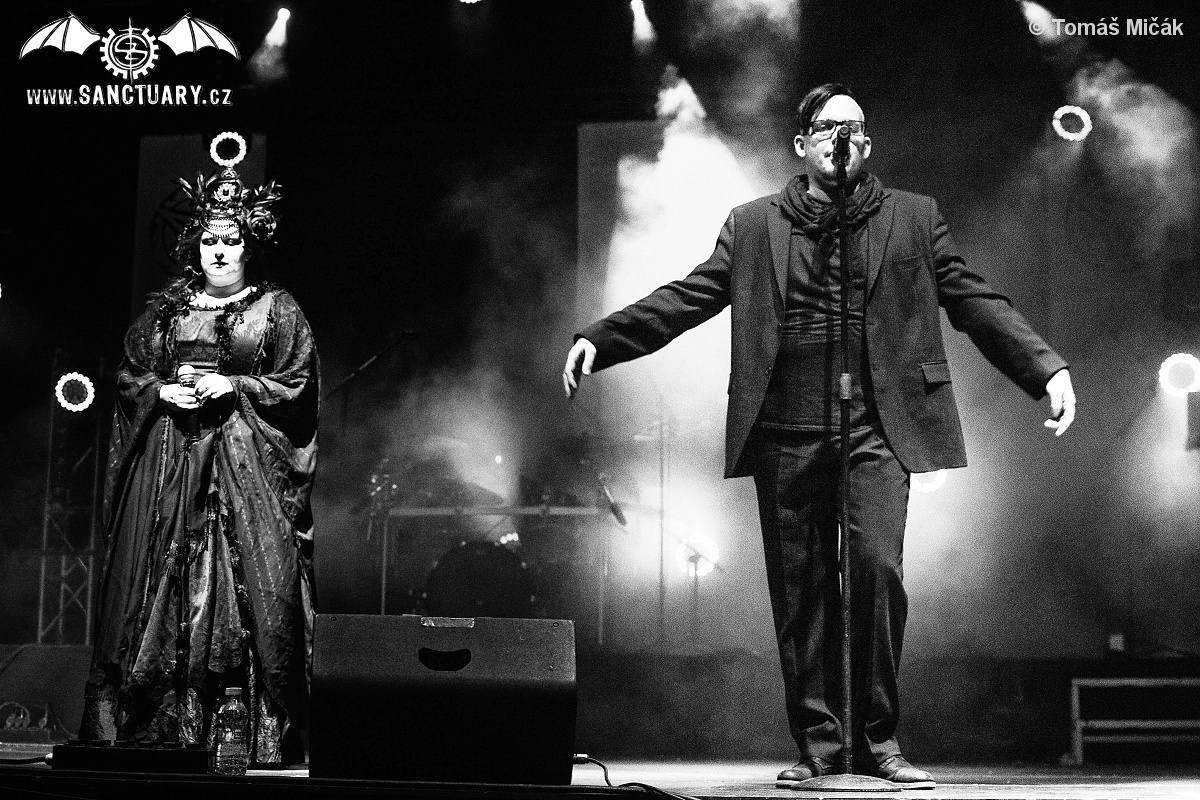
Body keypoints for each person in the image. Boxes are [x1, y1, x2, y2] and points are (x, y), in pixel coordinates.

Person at [563, 84, 1075, 787]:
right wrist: (604, 338)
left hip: (878, 425)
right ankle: (820, 745)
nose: (845, 137)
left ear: (867, 143)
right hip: (787, 426)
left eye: (857, 127)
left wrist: (1043, 367)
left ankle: (878, 741)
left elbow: (972, 299)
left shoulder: (912, 218)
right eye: (832, 127)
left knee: (876, 572)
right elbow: (689, 296)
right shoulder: (753, 225)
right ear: (803, 143)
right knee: (801, 593)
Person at [80, 134, 320, 766]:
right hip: (170, 462)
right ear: (196, 245)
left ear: (248, 245)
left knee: (255, 584)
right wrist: (161, 391)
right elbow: (130, 375)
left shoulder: (277, 311)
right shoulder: (167, 311)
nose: (219, 250)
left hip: (243, 465)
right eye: (210, 239)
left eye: (231, 239)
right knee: (158, 577)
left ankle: (243, 734)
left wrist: (236, 385)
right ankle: (157, 727)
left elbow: (297, 385)